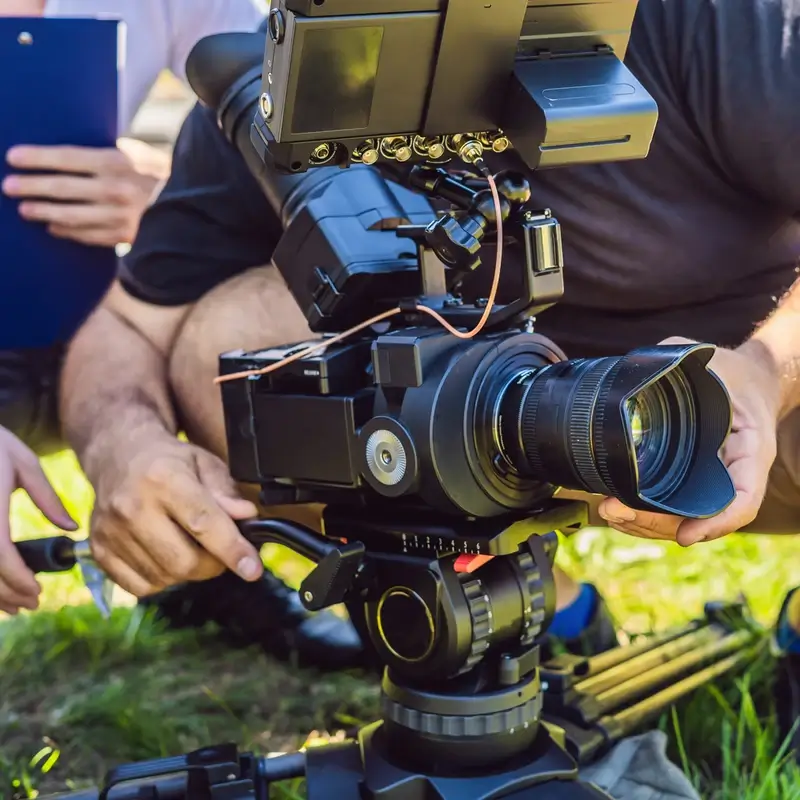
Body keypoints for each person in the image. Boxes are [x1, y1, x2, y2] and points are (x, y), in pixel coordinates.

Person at [51, 0, 799, 751]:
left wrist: (764, 372)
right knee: (228, 339)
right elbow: (125, 328)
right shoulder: (287, 80)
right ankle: (537, 623)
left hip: (751, 409)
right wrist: (127, 453)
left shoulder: (710, 22)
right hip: (493, 433)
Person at [0, 0, 367, 672]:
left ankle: (199, 555)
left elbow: (261, 118)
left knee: (205, 315)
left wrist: (159, 192)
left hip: (62, 316)